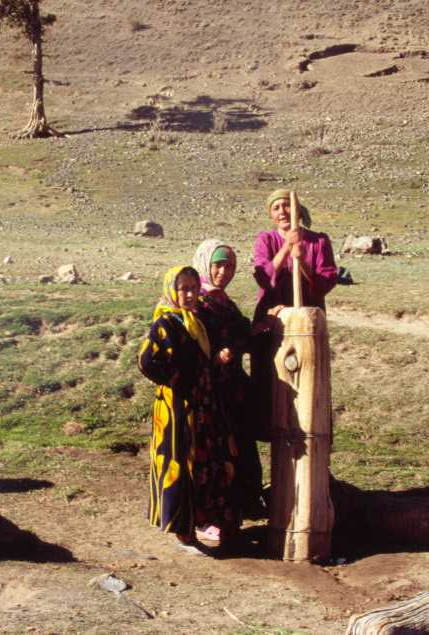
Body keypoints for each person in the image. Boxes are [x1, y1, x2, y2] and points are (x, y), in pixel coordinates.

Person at [138, 266, 238, 552]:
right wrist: (176, 380)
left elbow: (200, 359)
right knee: (178, 464)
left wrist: (217, 359)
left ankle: (198, 522)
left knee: (202, 463)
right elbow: (146, 361)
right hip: (176, 410)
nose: (191, 294)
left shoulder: (196, 322)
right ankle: (182, 531)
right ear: (172, 290)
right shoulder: (166, 324)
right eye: (184, 288)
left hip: (201, 406)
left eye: (194, 287)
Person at [251, 189, 338, 435]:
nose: (282, 212)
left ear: (297, 208)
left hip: (308, 326)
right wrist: (287, 248)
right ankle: (282, 466)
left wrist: (305, 264)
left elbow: (325, 283)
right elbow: (263, 278)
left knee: (312, 388)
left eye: (286, 206)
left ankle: (318, 466)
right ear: (271, 214)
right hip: (272, 324)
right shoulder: (266, 240)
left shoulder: (319, 241)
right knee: (275, 392)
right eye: (276, 208)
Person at [193, 239, 264, 520]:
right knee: (216, 451)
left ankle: (241, 507)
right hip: (209, 391)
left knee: (240, 447)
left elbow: (243, 334)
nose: (225, 272)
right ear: (205, 264)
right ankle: (214, 515)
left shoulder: (225, 302)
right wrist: (214, 358)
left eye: (230, 266)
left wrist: (258, 329)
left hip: (233, 388)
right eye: (219, 265)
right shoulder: (194, 301)